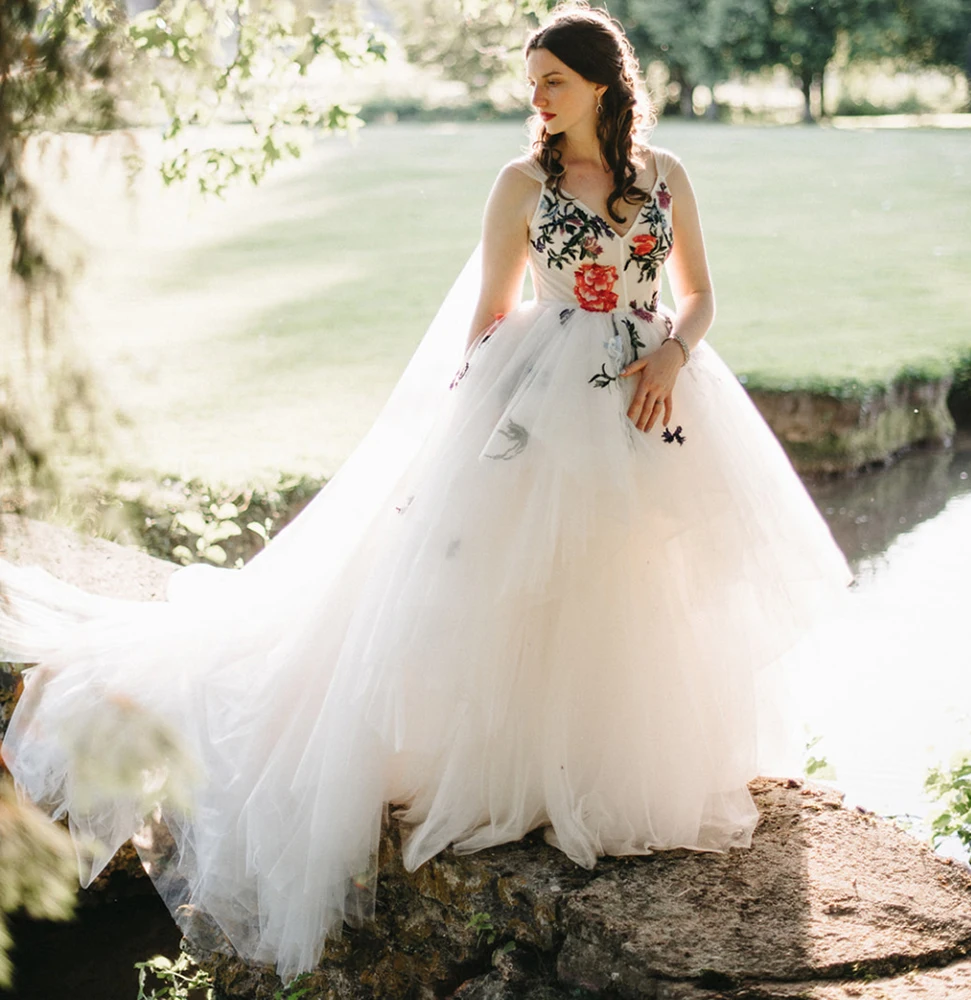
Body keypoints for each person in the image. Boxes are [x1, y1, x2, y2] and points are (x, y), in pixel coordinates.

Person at [0, 2, 854, 985]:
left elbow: (700, 292)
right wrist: (479, 434)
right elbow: (489, 318)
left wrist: (672, 346)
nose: (537, 100)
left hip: (656, 393)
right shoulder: (519, 184)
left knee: (645, 582)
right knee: (533, 584)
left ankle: (625, 770)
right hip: (550, 399)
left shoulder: (667, 175)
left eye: (554, 82)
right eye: (531, 83)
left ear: (605, 85)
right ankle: (530, 774)